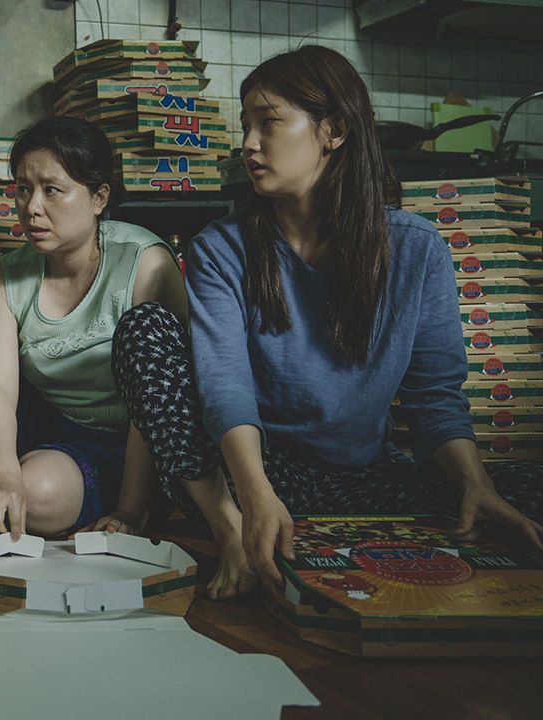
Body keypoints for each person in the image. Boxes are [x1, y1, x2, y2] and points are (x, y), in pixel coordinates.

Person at [112, 45, 543, 601]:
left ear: (333, 130)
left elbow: (434, 395)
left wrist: (476, 486)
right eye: (246, 126)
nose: (248, 143)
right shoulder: (222, 248)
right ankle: (235, 532)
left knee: (526, 492)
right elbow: (224, 385)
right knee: (145, 327)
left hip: (365, 482)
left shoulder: (415, 249)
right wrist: (253, 497)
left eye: (268, 122)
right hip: (253, 479)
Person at [0, 115, 183, 541]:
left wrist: (131, 510)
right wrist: (4, 473)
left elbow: (166, 394)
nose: (32, 207)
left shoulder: (144, 264)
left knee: (34, 495)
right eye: (23, 189)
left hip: (127, 441)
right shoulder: (4, 277)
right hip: (45, 418)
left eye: (52, 190)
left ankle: (9, 488)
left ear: (99, 198)